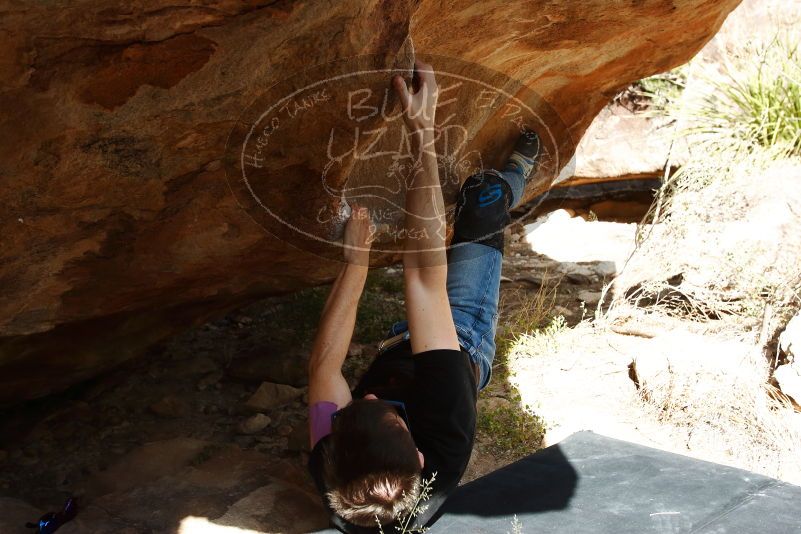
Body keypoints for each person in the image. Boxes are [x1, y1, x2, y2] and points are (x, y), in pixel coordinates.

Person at [307, 60, 541, 533]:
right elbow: (422, 277)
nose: (367, 392)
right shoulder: (445, 424)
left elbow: (324, 368)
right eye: (382, 410)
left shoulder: (338, 471)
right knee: (482, 198)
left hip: (403, 357)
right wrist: (422, 129)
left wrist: (355, 260)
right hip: (461, 341)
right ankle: (514, 176)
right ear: (417, 451)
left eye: (357, 406)